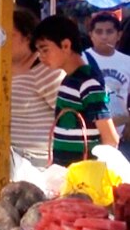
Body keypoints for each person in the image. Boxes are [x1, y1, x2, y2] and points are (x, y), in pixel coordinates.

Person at [0, 9, 63, 166]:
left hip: (30, 166)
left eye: (9, 35)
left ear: (28, 37)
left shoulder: (46, 71)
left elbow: (66, 116)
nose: (1, 40)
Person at [33, 15, 120, 167]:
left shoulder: (89, 83)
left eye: (45, 50)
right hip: (65, 173)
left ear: (66, 45)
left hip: (84, 177)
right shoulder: (68, 80)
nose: (41, 57)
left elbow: (111, 139)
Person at [84, 13, 130, 151]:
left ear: (119, 35)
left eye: (109, 31)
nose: (104, 36)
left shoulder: (127, 62)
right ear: (91, 35)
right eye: (99, 32)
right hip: (90, 134)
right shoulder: (81, 60)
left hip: (122, 135)